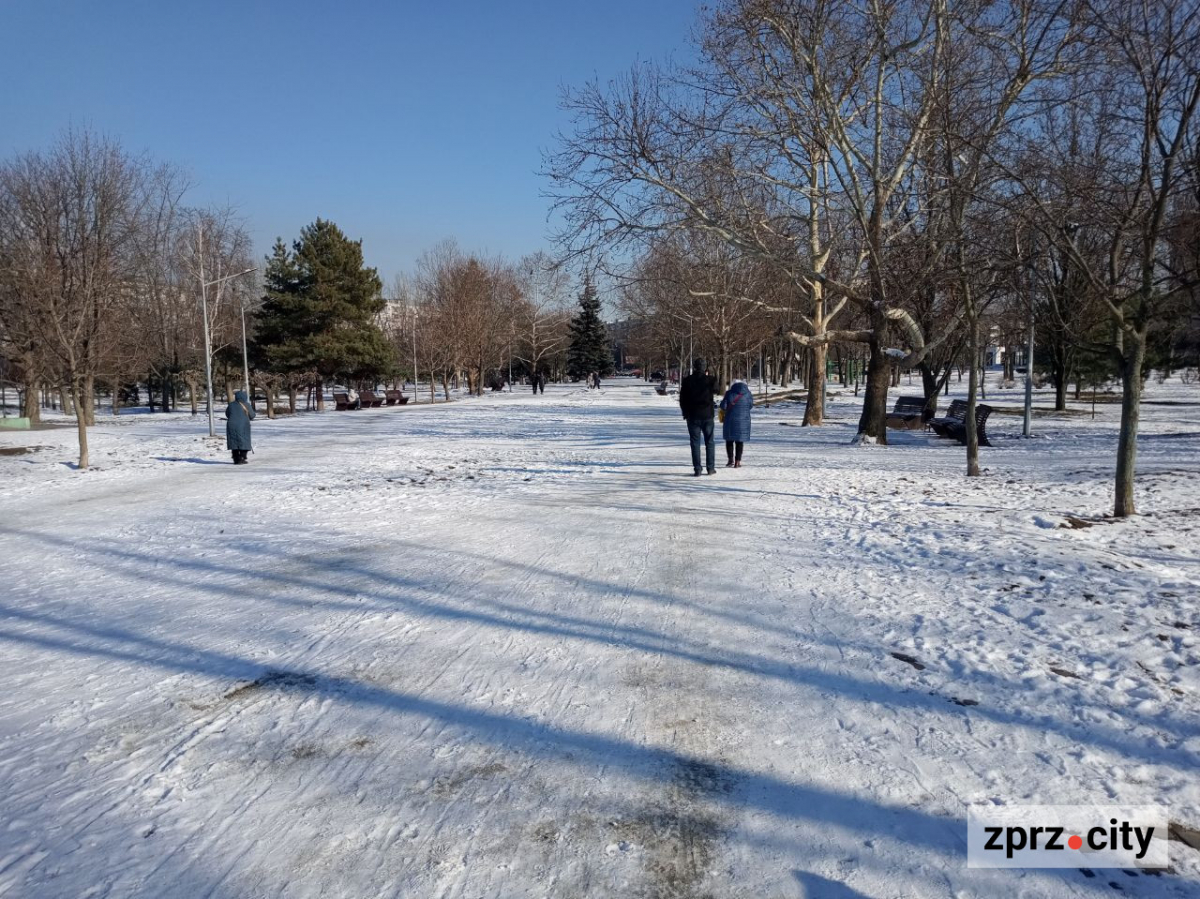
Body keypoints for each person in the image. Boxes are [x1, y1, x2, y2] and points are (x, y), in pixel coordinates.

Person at [678, 358, 718, 476]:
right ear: (705, 367)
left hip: (692, 415)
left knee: (695, 443)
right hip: (707, 415)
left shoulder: (687, 380)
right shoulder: (710, 380)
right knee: (709, 442)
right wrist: (710, 376)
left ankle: (697, 469)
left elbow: (682, 399)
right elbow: (716, 390)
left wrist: (685, 413)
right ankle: (710, 468)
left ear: (694, 367)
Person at [719, 378, 754, 467]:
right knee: (739, 441)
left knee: (729, 440)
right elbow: (750, 406)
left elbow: (723, 406)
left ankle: (730, 459)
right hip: (743, 421)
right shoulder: (748, 394)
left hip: (730, 420)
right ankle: (737, 461)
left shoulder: (729, 393)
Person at [226, 389, 255, 465]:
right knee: (244, 440)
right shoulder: (246, 405)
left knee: (234, 441)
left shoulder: (231, 405)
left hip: (231, 425)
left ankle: (236, 459)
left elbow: (227, 414)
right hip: (243, 425)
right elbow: (252, 415)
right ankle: (242, 457)